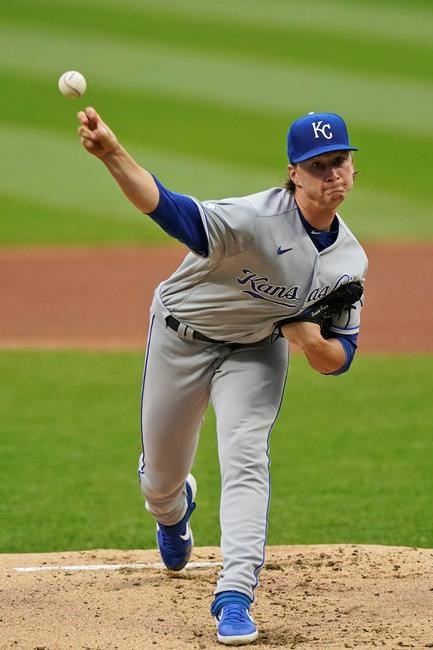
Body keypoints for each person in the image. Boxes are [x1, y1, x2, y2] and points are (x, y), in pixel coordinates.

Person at [77, 108, 367, 646]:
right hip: (180, 337)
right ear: (293, 171)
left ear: (353, 168)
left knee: (246, 454)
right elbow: (171, 211)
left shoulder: (350, 261)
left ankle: (234, 595)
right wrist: (113, 154)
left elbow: (339, 358)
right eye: (318, 165)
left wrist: (310, 341)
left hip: (254, 353)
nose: (332, 174)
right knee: (160, 479)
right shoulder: (252, 219)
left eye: (340, 162)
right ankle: (172, 510)